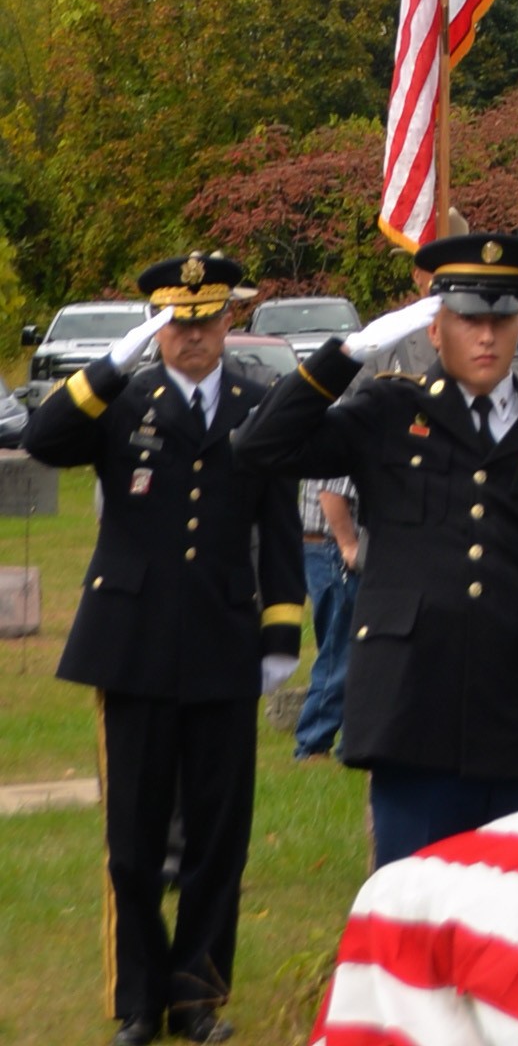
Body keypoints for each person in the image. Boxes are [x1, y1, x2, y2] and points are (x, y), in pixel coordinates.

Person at [236, 226, 518, 868]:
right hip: (412, 709)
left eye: (501, 317)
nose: (485, 336)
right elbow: (261, 446)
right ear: (435, 329)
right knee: (415, 918)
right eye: (466, 319)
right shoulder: (387, 414)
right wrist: (343, 355)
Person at [25, 248, 305, 1044]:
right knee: (133, 842)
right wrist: (113, 360)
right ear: (159, 326)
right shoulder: (123, 401)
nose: (193, 335)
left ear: (230, 320)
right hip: (133, 643)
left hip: (223, 641)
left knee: (219, 837)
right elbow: (44, 438)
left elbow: (278, 530)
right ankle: (140, 1001)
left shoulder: (259, 405)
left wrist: (280, 630)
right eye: (177, 322)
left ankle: (198, 995)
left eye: (206, 318)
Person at [293, 461, 361, 761]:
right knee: (340, 651)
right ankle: (312, 743)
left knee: (349, 650)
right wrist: (348, 545)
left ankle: (351, 743)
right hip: (334, 548)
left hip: (325, 548)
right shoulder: (351, 415)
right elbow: (332, 491)